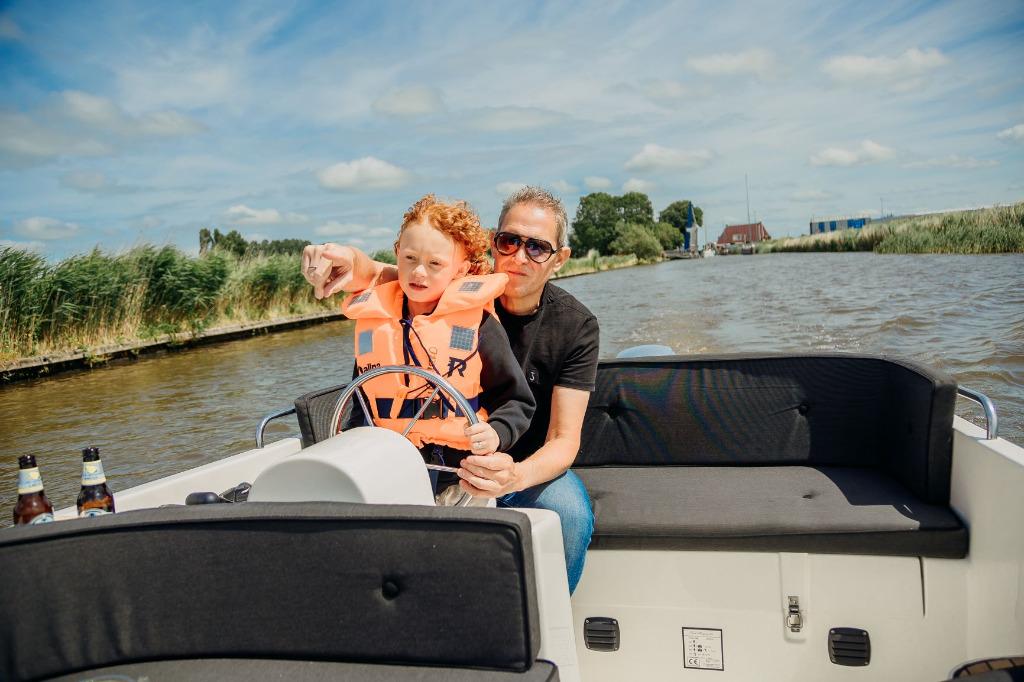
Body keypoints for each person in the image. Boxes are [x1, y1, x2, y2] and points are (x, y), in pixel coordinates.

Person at [303, 187, 597, 592]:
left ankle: (543, 622)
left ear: (559, 258)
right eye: (509, 241)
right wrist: (342, 258)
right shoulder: (432, 288)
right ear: (492, 242)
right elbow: (375, 271)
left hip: (524, 464)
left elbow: (564, 440)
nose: (518, 256)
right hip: (423, 463)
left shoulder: (576, 326)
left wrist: (514, 475)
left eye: (537, 247)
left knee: (569, 514)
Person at [338, 194, 536, 503]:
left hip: (461, 480)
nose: (419, 272)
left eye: (435, 264)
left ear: (460, 269)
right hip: (389, 472)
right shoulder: (375, 325)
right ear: (397, 253)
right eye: (410, 258)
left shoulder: (479, 325)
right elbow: (361, 400)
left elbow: (517, 401)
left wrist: (497, 432)